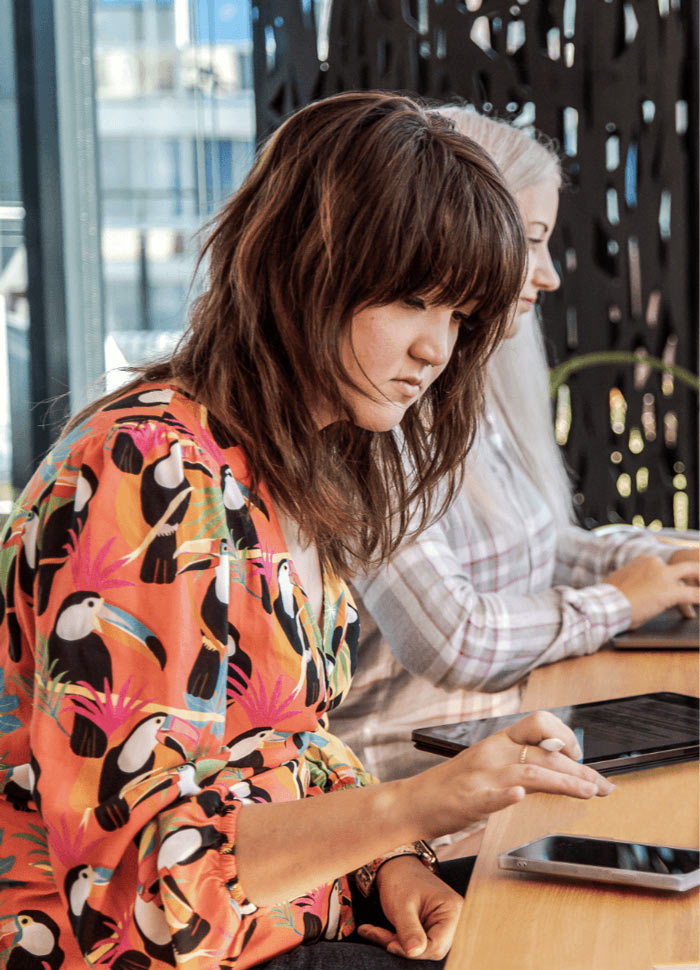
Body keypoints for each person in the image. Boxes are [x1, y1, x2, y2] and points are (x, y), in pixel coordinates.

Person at [0, 92, 616, 970]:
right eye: (412, 301)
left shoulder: (291, 463)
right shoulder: (147, 471)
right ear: (306, 265)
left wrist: (391, 868)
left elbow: (289, 749)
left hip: (287, 920)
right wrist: (415, 808)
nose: (436, 352)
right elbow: (137, 893)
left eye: (460, 319)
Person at [331, 107, 699, 857]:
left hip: (497, 758)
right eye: (529, 241)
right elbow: (454, 636)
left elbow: (538, 547)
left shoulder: (452, 391)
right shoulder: (376, 412)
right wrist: (620, 600)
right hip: (412, 804)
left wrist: (669, 560)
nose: (550, 273)